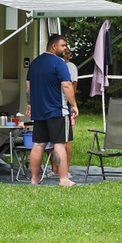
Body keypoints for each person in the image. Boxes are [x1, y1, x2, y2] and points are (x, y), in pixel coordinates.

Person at [26, 34, 79, 186]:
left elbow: (28, 86)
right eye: (63, 46)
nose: (65, 49)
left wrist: (30, 104)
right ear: (54, 46)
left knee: (38, 144)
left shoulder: (35, 63)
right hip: (57, 110)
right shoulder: (59, 63)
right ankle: (64, 179)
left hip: (39, 111)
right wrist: (74, 104)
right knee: (59, 144)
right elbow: (67, 85)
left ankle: (34, 180)